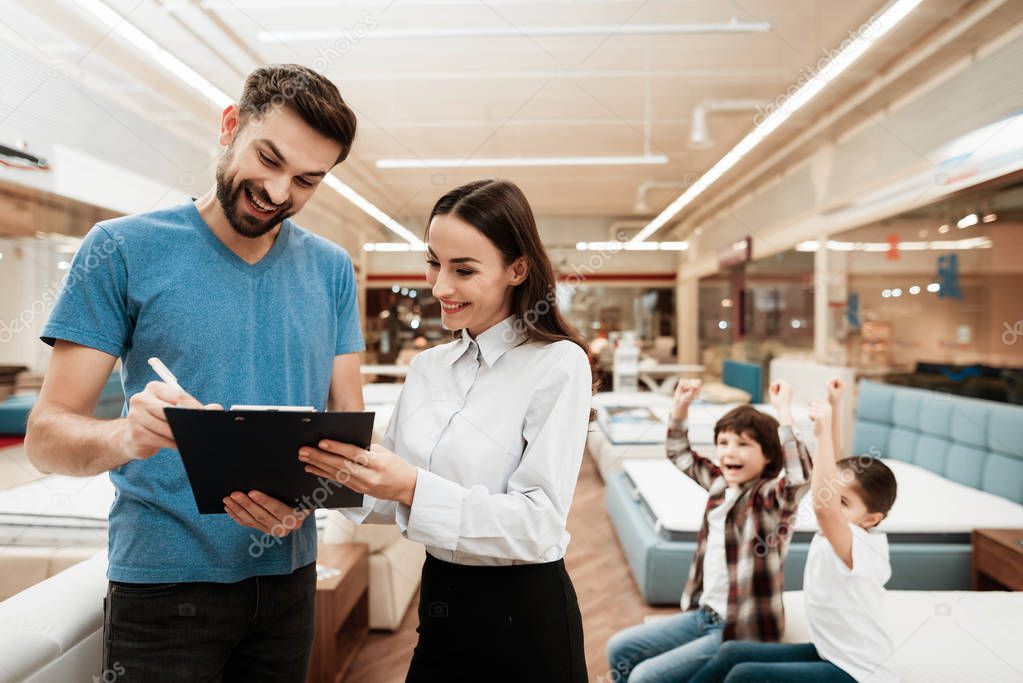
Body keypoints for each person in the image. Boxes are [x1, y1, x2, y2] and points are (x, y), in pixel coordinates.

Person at [25, 64, 363, 681]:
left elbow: (347, 443)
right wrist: (126, 436)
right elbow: (46, 437)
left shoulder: (333, 269)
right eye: (269, 158)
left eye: (308, 180)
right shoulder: (120, 249)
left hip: (289, 581)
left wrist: (310, 496)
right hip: (162, 586)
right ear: (230, 126)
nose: (280, 192)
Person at [297, 179, 591, 682]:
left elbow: (537, 524)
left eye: (464, 270)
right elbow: (388, 500)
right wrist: (306, 474)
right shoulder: (429, 368)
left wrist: (411, 485)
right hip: (440, 602)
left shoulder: (559, 365)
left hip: (526, 616)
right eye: (434, 262)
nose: (439, 288)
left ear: (517, 269)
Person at [691, 379, 900, 683]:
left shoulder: (858, 543)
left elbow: (824, 505)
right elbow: (832, 474)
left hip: (858, 673)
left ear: (871, 519)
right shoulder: (845, 532)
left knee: (744, 676)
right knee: (732, 653)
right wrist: (835, 405)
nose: (831, 502)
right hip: (830, 653)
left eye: (844, 503)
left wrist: (821, 432)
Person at [606, 379, 813, 682]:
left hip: (742, 627)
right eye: (724, 443)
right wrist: (680, 407)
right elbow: (680, 453)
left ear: (769, 456)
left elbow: (799, 476)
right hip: (705, 615)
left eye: (743, 445)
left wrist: (784, 411)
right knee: (619, 649)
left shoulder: (768, 499)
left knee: (644, 677)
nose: (731, 452)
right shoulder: (719, 484)